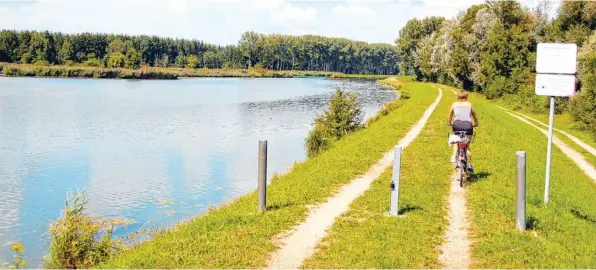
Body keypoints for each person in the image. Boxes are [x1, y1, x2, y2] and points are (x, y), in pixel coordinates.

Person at [448, 90, 479, 173]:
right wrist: (476, 123)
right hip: (468, 125)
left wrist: (449, 122)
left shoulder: (454, 104)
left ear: (458, 97)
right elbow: (474, 115)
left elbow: (450, 115)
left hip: (456, 124)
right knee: (467, 145)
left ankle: (454, 157)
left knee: (457, 141)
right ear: (466, 97)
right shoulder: (469, 104)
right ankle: (469, 165)